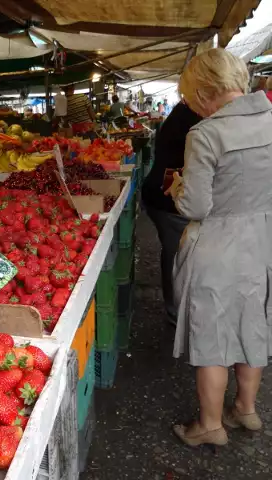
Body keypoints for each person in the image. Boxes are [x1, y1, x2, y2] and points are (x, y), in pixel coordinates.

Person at [165, 48, 272, 447]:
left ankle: (210, 425)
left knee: (213, 338)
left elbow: (196, 206)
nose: (193, 107)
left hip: (217, 246)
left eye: (193, 98)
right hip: (263, 241)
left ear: (207, 91)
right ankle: (246, 409)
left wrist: (178, 189)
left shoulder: (207, 134)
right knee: (253, 325)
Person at [142, 101, 201, 326]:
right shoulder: (194, 121)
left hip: (162, 194)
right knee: (178, 254)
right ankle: (176, 311)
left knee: (176, 252)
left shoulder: (182, 113)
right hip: (168, 199)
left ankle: (177, 308)